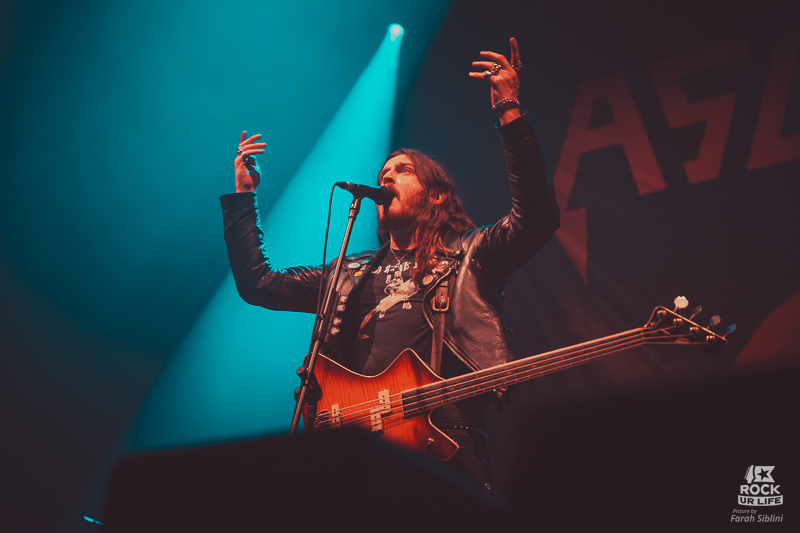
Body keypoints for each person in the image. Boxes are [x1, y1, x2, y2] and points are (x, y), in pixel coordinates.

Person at [220, 38, 559, 490]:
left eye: (402, 171)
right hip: (362, 449)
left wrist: (509, 111)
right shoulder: (348, 275)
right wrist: (244, 198)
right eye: (383, 173)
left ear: (436, 196)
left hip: (443, 440)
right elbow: (258, 284)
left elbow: (536, 217)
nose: (387, 177)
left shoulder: (471, 254)